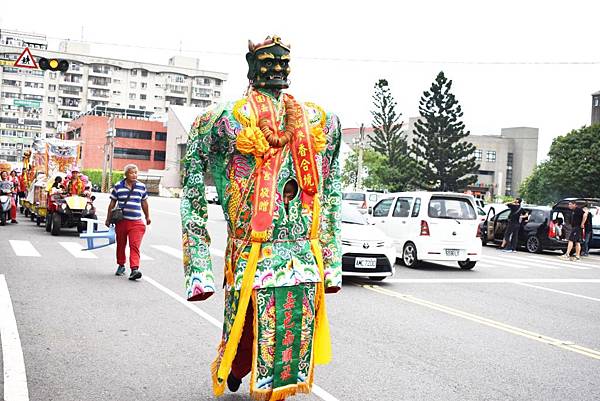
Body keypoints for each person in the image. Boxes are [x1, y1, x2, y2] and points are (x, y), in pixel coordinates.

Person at [180, 36, 342, 400]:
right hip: (251, 250)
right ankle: (237, 370)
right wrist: (199, 269)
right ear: (250, 64)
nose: (278, 67)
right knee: (247, 327)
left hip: (302, 253)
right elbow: (192, 190)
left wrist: (331, 261)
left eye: (283, 60)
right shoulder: (221, 120)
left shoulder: (322, 121)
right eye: (268, 60)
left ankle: (270, 388)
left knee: (290, 338)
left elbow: (331, 194)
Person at [105, 164, 151, 280]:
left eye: (136, 172)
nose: (134, 175)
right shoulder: (118, 186)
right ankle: (121, 265)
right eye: (131, 172)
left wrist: (147, 217)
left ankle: (134, 269)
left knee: (134, 246)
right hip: (121, 221)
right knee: (121, 245)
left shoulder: (141, 186)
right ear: (125, 174)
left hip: (136, 222)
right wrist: (108, 218)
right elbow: (112, 204)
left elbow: (144, 203)